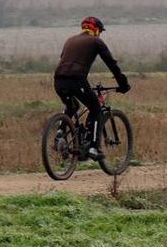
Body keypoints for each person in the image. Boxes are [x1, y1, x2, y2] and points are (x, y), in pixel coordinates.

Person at [53, 16, 130, 159]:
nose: (100, 34)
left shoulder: (70, 40)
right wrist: (123, 83)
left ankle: (60, 132)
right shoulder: (96, 41)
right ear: (96, 30)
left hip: (58, 80)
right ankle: (94, 148)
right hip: (76, 80)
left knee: (72, 106)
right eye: (100, 31)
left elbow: (66, 59)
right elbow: (112, 64)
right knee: (95, 108)